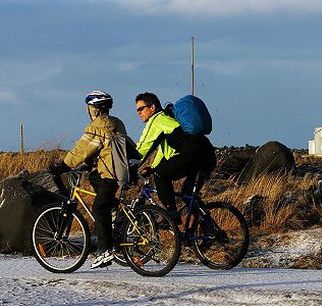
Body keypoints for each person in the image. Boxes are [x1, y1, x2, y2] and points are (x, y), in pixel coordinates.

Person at [49, 90, 126, 269]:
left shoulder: (97, 126)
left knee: (99, 208)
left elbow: (81, 149)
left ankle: (104, 251)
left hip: (109, 173)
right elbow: (106, 148)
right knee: (94, 179)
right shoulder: (116, 122)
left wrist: (63, 166)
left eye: (90, 107)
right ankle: (114, 213)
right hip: (119, 171)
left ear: (94, 109)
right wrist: (91, 162)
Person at [134, 92, 216, 225]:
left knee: (160, 174)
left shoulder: (157, 119)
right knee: (188, 195)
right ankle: (209, 230)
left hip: (191, 154)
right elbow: (165, 149)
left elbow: (143, 148)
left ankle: (172, 215)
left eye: (141, 108)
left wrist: (129, 164)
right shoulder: (171, 119)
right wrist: (153, 166)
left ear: (153, 107)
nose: (138, 112)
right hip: (207, 154)